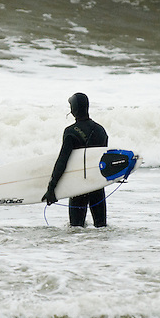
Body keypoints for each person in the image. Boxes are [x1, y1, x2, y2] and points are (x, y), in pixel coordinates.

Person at [42, 92, 109, 227]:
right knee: (102, 228)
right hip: (97, 185)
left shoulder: (71, 132)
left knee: (76, 229)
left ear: (74, 108)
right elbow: (103, 161)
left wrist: (52, 187)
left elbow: (63, 161)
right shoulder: (101, 130)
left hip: (79, 186)